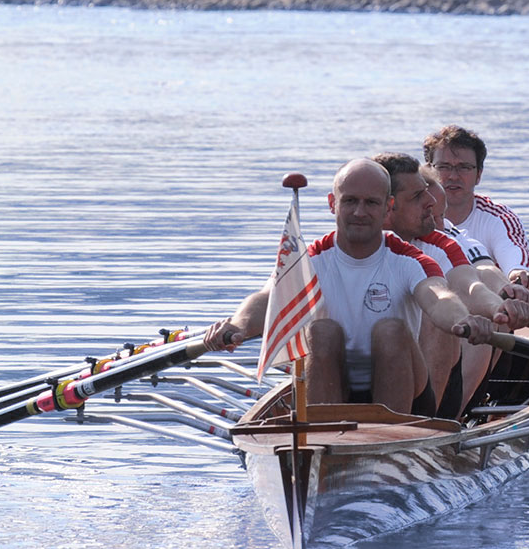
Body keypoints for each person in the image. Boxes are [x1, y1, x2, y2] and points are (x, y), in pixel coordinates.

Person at [205, 159, 497, 415]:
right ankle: (323, 443)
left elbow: (438, 297)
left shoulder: (409, 260)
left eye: (371, 203)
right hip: (333, 383)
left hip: (406, 392)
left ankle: (389, 439)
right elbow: (268, 298)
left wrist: (463, 320)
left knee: (390, 330)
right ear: (333, 204)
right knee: (322, 332)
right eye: (350, 201)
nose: (359, 212)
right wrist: (238, 327)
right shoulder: (308, 260)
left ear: (387, 208)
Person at [371, 152, 529, 415]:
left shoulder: (441, 246)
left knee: (444, 320)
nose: (431, 204)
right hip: (368, 368)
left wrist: (498, 307)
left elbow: (472, 285)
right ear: (388, 207)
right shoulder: (332, 250)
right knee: (324, 332)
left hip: (426, 386)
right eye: (418, 197)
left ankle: (437, 427)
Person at [423, 125, 529, 293]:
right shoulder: (409, 216)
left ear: (479, 174)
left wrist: (518, 272)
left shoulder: (499, 218)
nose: (453, 176)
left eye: (464, 167)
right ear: (429, 171)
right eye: (444, 167)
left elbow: (512, 255)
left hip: (487, 306)